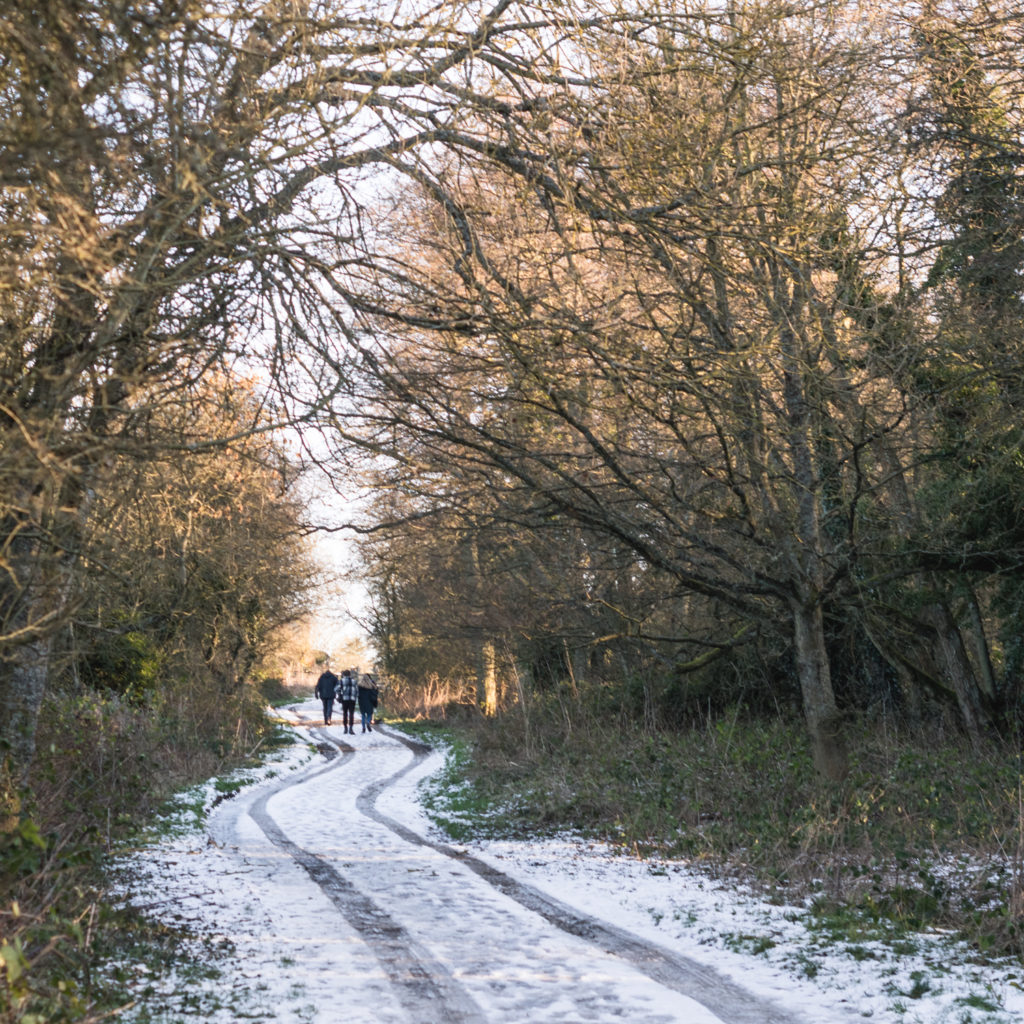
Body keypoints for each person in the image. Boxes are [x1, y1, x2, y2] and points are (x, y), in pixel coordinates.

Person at [338, 668, 358, 734]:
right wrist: (355, 696)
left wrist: (340, 693)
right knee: (351, 714)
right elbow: (357, 690)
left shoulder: (341, 681)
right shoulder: (354, 681)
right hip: (352, 699)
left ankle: (345, 728)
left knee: (345, 713)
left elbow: (336, 689)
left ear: (343, 674)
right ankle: (351, 728)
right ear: (350, 674)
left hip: (345, 699)